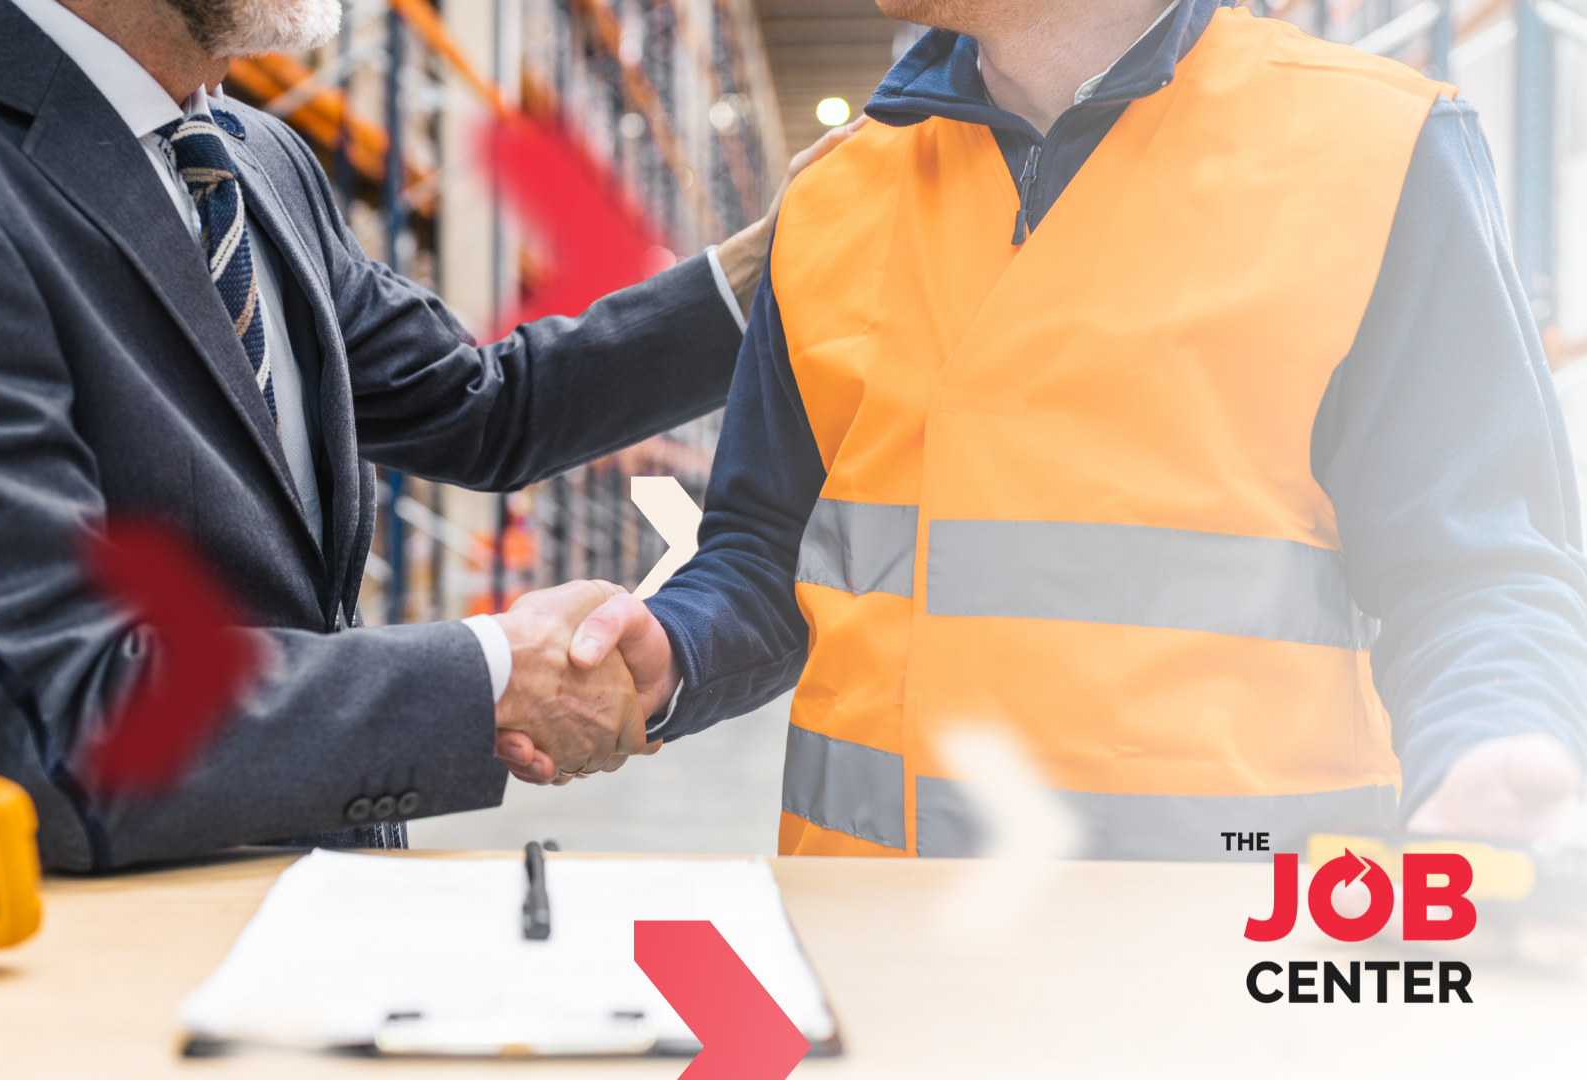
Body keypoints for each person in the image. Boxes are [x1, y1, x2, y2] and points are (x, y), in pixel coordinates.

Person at [0, 0, 816, 870]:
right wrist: (488, 673)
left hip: (326, 902)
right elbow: (60, 722)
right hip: (116, 959)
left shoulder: (255, 157)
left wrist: (775, 270)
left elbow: (485, 408)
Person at [535, 0, 1587, 861]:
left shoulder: (1378, 155)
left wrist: (1489, 743)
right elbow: (764, 552)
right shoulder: (834, 202)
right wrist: (674, 646)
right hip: (876, 955)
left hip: (1237, 957)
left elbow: (1476, 570)